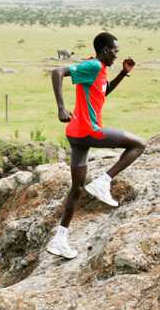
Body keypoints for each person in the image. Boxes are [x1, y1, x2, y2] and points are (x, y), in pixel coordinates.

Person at [46, 32, 144, 259]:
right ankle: (104, 181)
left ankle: (60, 240)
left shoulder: (100, 69)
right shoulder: (92, 65)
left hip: (76, 134)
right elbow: (57, 72)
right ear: (106, 50)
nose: (117, 55)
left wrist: (122, 73)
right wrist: (61, 107)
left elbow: (104, 91)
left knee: (77, 189)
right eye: (115, 51)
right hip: (89, 131)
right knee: (138, 144)